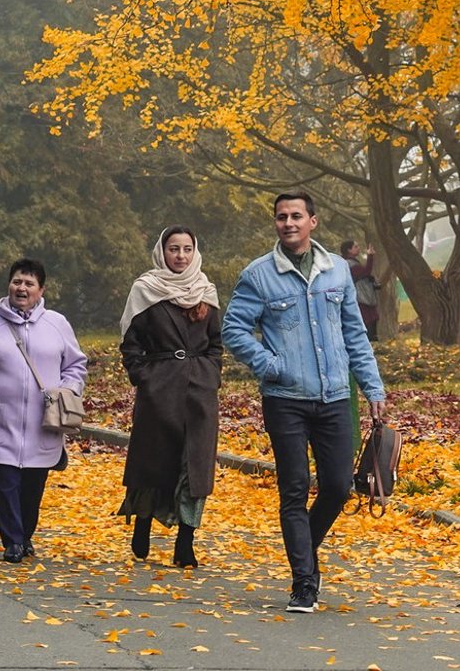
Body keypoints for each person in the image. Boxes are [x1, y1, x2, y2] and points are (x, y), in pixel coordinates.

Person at [222, 191, 387, 614]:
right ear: (275, 224)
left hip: (334, 397)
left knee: (337, 486)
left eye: (296, 216)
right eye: (281, 217)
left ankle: (303, 551)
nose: (288, 223)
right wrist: (270, 366)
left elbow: (355, 334)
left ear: (313, 221)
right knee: (293, 489)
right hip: (285, 400)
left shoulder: (336, 271)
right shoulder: (258, 275)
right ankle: (304, 583)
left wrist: (373, 388)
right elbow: (234, 329)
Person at [0, 259, 88, 563]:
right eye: (17, 282)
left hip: (43, 423)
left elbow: (76, 365)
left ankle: (25, 535)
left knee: (32, 487)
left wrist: (68, 391)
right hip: (0, 420)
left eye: (29, 283)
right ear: (8, 285)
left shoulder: (57, 324)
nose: (21, 288)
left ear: (41, 290)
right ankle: (12, 541)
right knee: (6, 483)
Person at [117, 227, 222, 567]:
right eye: (174, 249)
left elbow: (216, 344)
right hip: (159, 390)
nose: (180, 256)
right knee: (154, 461)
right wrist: (144, 376)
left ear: (195, 252)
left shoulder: (205, 291)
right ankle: (143, 523)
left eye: (187, 249)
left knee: (194, 468)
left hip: (199, 393)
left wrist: (210, 375)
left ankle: (185, 542)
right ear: (162, 252)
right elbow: (131, 342)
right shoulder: (145, 289)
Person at [341, 240, 380, 340]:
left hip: (363, 296)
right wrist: (370, 256)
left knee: (371, 319)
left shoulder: (352, 262)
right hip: (361, 298)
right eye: (355, 246)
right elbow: (365, 272)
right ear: (349, 250)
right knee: (368, 320)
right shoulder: (350, 264)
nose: (358, 248)